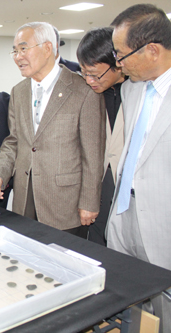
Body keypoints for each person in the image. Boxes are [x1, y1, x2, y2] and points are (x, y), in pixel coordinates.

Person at [0, 22, 105, 237]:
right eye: (14, 50)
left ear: (48, 48)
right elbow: (13, 142)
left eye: (23, 48)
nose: (17, 56)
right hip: (24, 198)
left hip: (64, 202)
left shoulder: (83, 90)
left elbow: (92, 154)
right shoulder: (18, 92)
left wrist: (89, 201)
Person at [107, 4, 171, 331]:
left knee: (166, 311)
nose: (117, 63)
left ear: (152, 50)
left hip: (163, 225)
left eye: (120, 54)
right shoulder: (131, 89)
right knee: (132, 306)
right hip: (124, 215)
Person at [76, 27, 126, 246]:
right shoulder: (88, 94)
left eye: (95, 74)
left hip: (127, 184)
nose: (89, 80)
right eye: (84, 73)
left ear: (118, 63)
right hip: (98, 183)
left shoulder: (139, 88)